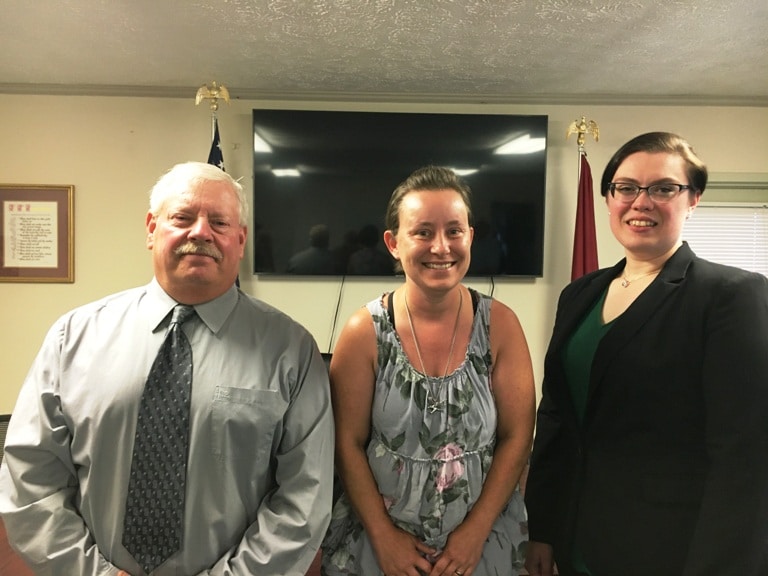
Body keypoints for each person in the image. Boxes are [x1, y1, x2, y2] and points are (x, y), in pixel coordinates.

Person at [0, 161, 334, 575]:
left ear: (241, 240)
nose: (200, 232)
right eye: (182, 217)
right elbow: (31, 480)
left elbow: (305, 496)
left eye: (219, 222)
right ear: (150, 228)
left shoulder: (292, 351)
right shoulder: (73, 337)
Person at [524, 132, 768, 576]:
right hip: (577, 534)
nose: (642, 202)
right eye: (627, 187)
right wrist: (541, 526)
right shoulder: (579, 294)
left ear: (693, 198)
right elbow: (557, 416)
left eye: (663, 188)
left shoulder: (730, 295)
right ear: (608, 198)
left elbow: (744, 456)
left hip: (672, 548)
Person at [322, 166, 535, 576]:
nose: (441, 247)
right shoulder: (363, 332)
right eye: (422, 232)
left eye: (454, 231)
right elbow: (346, 443)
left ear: (470, 236)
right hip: (378, 546)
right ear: (393, 243)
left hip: (481, 543)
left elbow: (517, 436)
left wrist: (475, 533)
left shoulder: (501, 326)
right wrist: (384, 539)